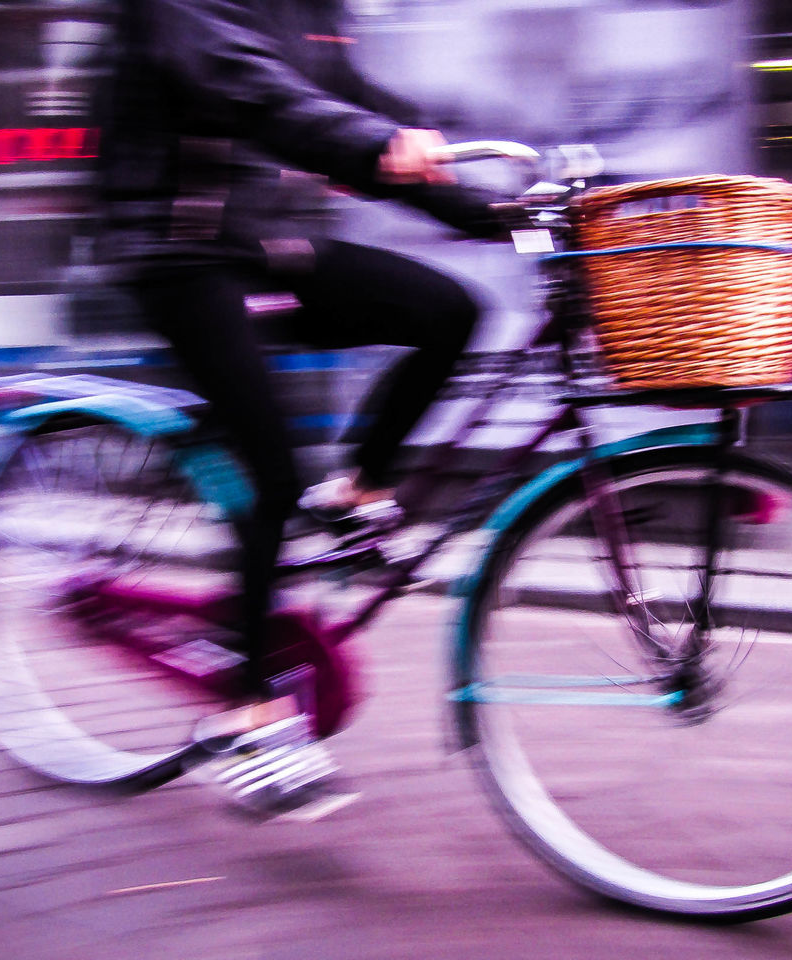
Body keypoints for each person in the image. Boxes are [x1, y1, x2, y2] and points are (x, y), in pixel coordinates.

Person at [99, 0, 509, 740]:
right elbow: (250, 88)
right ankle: (244, 706)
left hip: (264, 243)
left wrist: (504, 214)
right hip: (178, 249)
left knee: (448, 312)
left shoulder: (311, 10)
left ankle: (357, 490)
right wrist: (378, 140)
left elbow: (345, 115)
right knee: (273, 474)